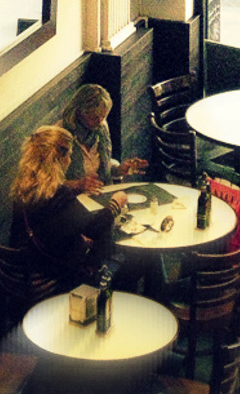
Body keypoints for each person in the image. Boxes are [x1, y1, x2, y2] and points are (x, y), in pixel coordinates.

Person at [9, 125, 128, 283]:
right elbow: (95, 229)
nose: (70, 161)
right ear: (60, 158)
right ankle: (107, 289)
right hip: (52, 270)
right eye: (70, 155)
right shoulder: (59, 194)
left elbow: (56, 227)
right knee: (123, 259)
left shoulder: (23, 185)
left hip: (26, 262)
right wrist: (115, 203)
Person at [59, 83, 148, 191]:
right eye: (94, 117)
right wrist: (77, 184)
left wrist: (119, 169)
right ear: (79, 112)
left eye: (103, 116)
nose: (100, 122)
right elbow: (49, 185)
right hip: (73, 197)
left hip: (101, 192)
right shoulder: (59, 135)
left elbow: (103, 167)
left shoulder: (100, 129)